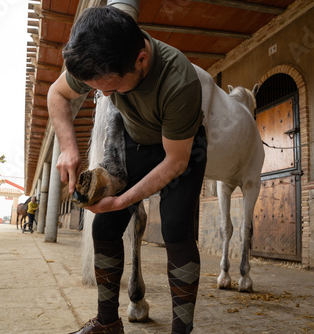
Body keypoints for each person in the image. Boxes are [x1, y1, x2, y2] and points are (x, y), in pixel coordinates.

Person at [47, 6, 207, 334]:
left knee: (176, 229)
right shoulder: (100, 56)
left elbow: (175, 162)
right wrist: (68, 146)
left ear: (141, 60)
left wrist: (122, 202)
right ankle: (108, 323)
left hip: (179, 149)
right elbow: (57, 93)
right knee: (104, 228)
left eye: (111, 86)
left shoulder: (179, 81)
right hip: (133, 141)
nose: (103, 95)